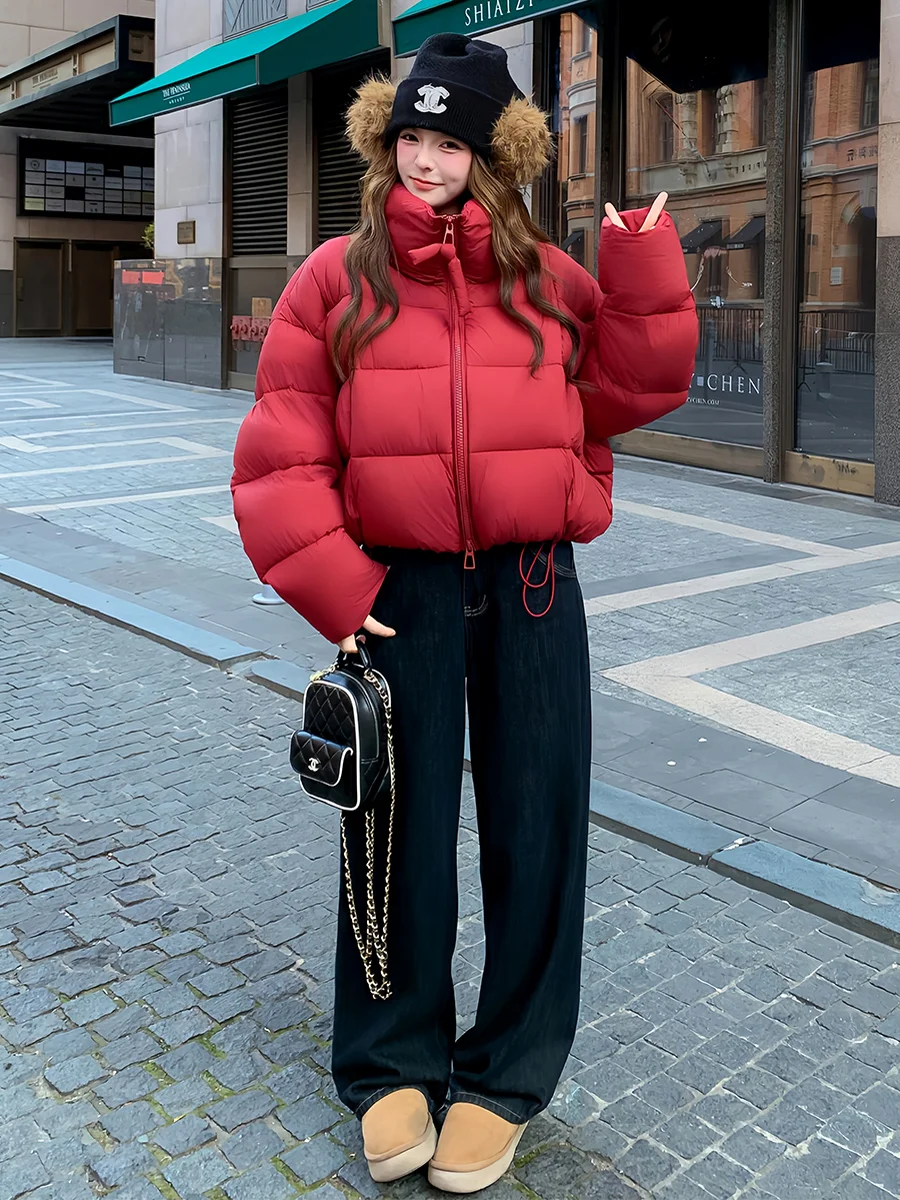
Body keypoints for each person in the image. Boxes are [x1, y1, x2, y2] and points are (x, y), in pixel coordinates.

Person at [232, 33, 697, 1195]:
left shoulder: (546, 278)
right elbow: (282, 453)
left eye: (450, 142)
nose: (427, 160)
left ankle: (506, 1074)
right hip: (400, 596)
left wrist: (639, 263)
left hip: (537, 590)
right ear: (386, 147)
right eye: (412, 140)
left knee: (537, 835)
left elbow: (637, 386)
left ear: (492, 157)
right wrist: (340, 592)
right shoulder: (335, 279)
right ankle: (389, 1063)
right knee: (393, 832)